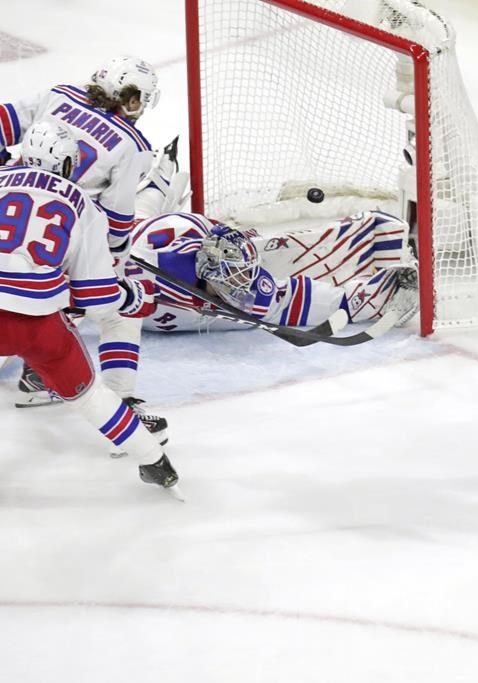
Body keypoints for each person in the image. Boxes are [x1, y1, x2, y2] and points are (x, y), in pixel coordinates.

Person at [0, 120, 178, 489]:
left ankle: (33, 378)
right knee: (89, 397)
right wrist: (133, 296)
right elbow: (95, 297)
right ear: (67, 165)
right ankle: (156, 462)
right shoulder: (83, 205)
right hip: (40, 324)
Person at [2, 56, 170, 435]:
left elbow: (1, 120)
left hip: (12, 224)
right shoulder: (133, 144)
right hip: (68, 237)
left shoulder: (56, 95)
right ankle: (120, 404)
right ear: (128, 98)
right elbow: (116, 219)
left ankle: (37, 377)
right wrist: (115, 266)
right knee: (118, 312)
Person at [125, 210, 419, 335]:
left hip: (194, 237)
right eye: (236, 277)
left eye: (246, 275)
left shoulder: (241, 281)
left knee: (262, 296)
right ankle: (161, 179)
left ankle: (364, 238)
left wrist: (352, 304)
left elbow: (286, 298)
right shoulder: (149, 273)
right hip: (143, 237)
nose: (245, 284)